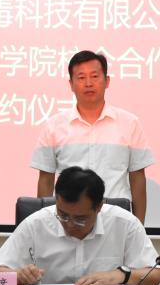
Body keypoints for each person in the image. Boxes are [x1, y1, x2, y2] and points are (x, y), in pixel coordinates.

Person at [31, 50, 153, 223]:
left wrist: (138, 227)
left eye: (94, 76)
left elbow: (138, 179)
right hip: (69, 222)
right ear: (71, 84)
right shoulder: (53, 126)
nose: (88, 83)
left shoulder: (130, 124)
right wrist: (44, 226)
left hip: (117, 219)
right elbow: (45, 180)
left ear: (107, 81)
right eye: (81, 77)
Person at [0, 166, 160, 285]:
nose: (70, 224)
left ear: (99, 207)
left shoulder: (124, 223)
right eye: (63, 215)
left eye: (80, 219)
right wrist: (18, 276)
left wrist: (121, 275)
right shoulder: (35, 224)